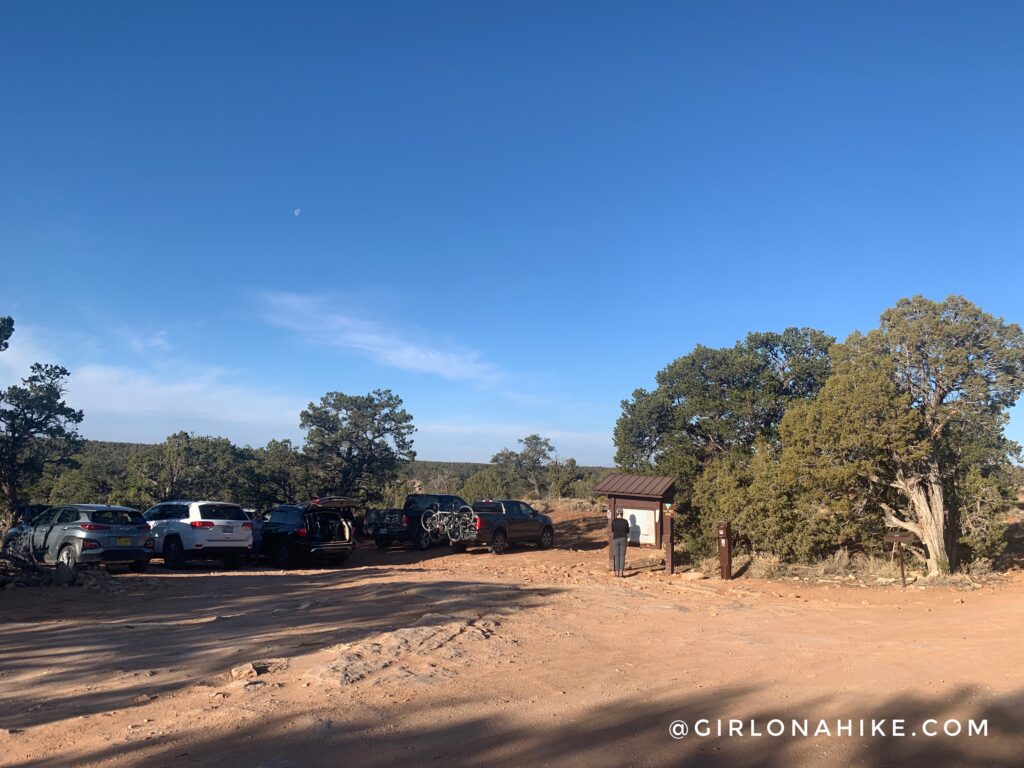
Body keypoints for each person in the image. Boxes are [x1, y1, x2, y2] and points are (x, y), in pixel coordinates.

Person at [611, 508, 629, 577]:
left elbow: (613, 530)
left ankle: (616, 572)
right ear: (622, 513)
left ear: (616, 513)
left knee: (616, 555)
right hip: (623, 539)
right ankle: (621, 572)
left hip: (616, 539)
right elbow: (627, 531)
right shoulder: (625, 521)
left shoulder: (614, 521)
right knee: (622, 556)